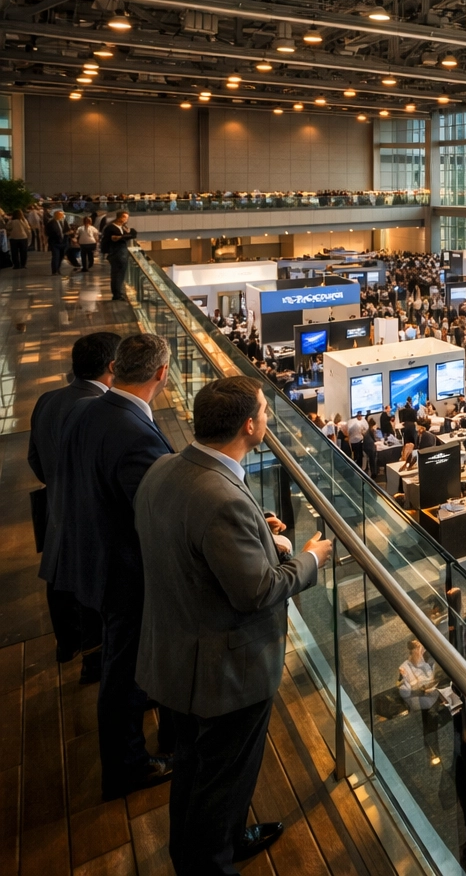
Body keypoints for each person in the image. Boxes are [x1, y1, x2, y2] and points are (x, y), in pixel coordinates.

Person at [135, 376, 331, 872]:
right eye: (264, 411)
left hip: (175, 650)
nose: (267, 418)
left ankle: (209, 845)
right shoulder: (222, 498)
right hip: (224, 674)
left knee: (193, 767)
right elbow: (258, 591)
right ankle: (210, 861)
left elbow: (190, 541)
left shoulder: (165, 468)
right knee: (222, 781)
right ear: (248, 425)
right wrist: (309, 558)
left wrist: (259, 532)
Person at [54, 333, 176, 800]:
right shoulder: (134, 432)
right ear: (161, 374)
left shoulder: (88, 410)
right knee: (123, 671)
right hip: (125, 573)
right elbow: (156, 511)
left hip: (93, 558)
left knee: (121, 663)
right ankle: (128, 767)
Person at [30, 331, 119, 678]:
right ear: (113, 366)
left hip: (57, 513)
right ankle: (93, 662)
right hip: (94, 525)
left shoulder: (47, 400)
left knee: (61, 580)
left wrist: (59, 487)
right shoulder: (102, 411)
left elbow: (35, 459)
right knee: (94, 599)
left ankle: (68, 646)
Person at [398, 639, 445, 759]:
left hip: (436, 696)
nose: (421, 651)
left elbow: (433, 676)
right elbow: (405, 693)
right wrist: (407, 681)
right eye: (418, 648)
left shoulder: (426, 661)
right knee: (430, 728)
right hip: (424, 702)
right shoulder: (404, 668)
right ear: (412, 650)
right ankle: (433, 753)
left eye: (422, 648)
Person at [102, 210, 134, 300]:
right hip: (117, 253)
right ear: (120, 217)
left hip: (120, 253)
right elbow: (113, 239)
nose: (126, 220)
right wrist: (124, 236)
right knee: (117, 274)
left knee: (119, 274)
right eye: (125, 218)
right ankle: (117, 294)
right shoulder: (111, 228)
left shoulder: (122, 227)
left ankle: (118, 292)